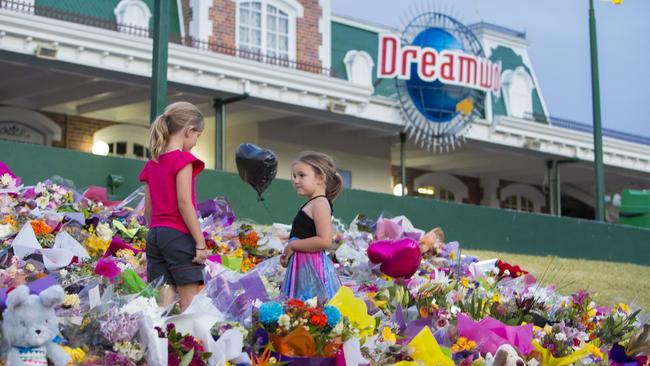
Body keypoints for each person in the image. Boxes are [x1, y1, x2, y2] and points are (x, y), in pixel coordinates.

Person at [139, 101, 208, 311]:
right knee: (190, 301)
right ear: (189, 131)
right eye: (198, 136)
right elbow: (185, 202)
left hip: (156, 236)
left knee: (163, 303)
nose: (196, 142)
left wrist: (154, 233)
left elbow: (148, 208)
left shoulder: (152, 164)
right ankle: (186, 343)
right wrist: (200, 242)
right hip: (178, 235)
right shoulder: (183, 160)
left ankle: (159, 340)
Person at [281, 151, 343, 302]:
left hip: (311, 268)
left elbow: (324, 240)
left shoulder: (320, 204)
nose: (296, 180)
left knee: (309, 306)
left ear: (320, 178)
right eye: (294, 176)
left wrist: (293, 246)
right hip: (303, 265)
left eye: (302, 175)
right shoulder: (314, 203)